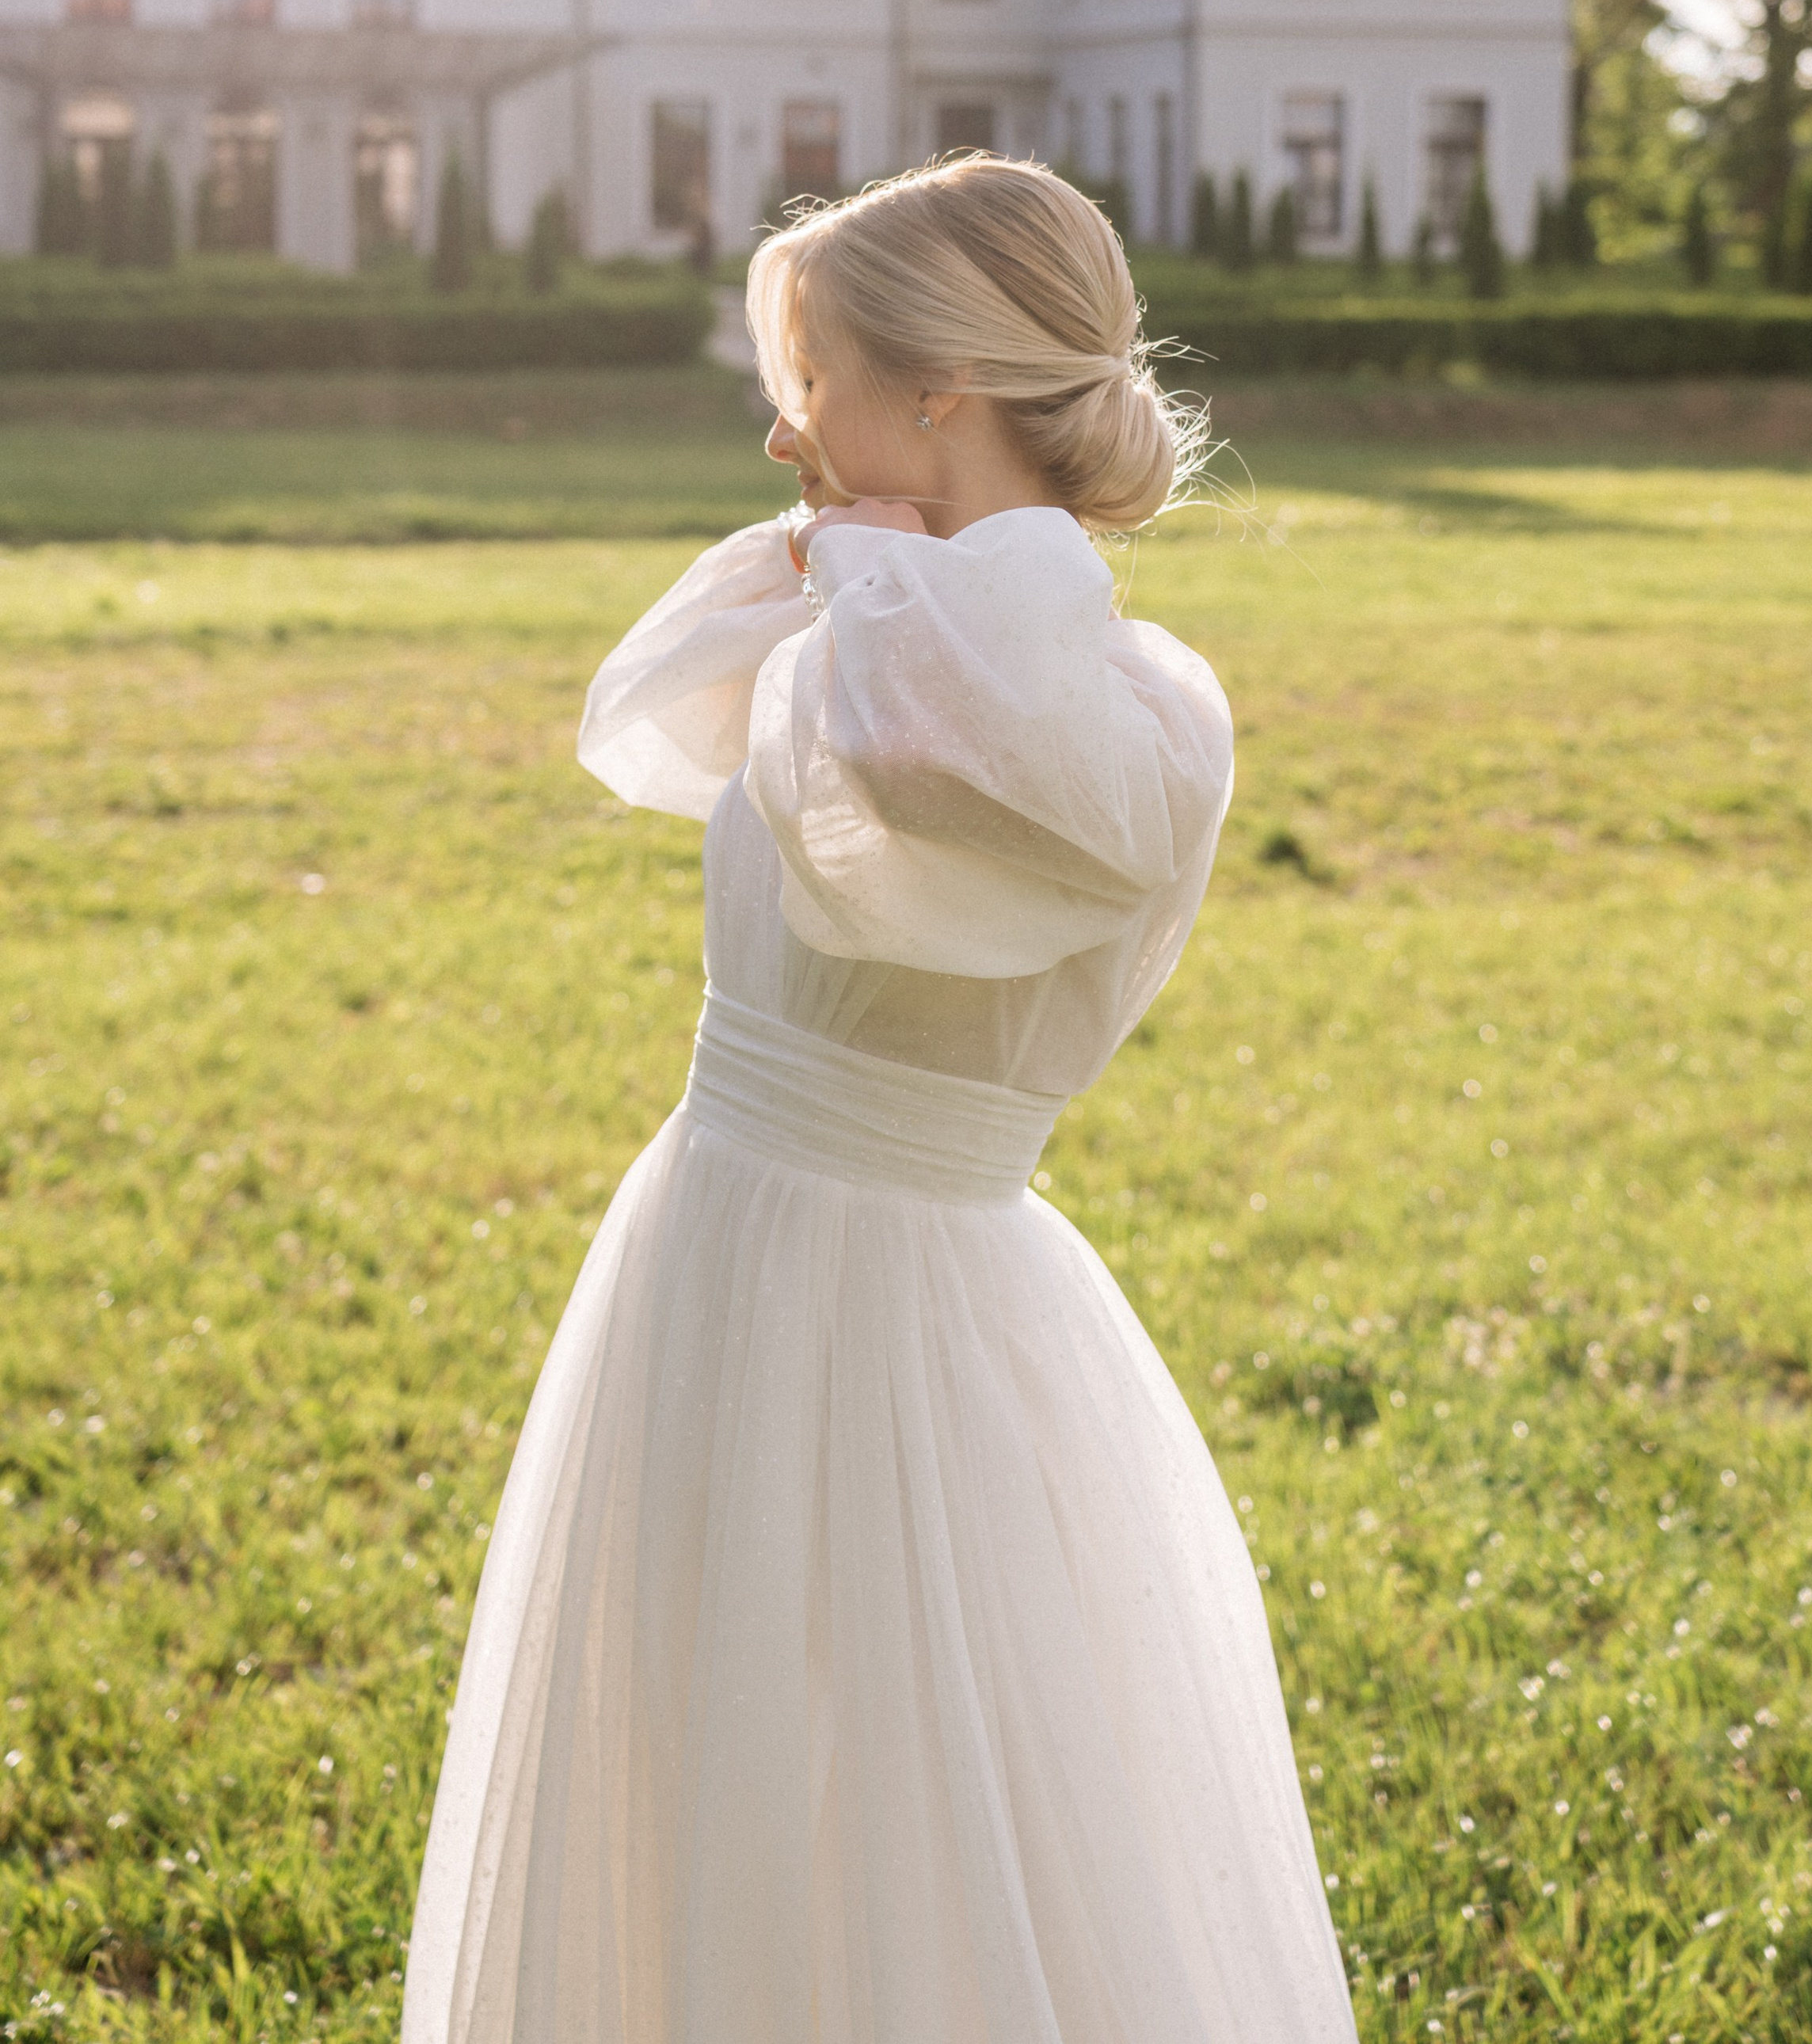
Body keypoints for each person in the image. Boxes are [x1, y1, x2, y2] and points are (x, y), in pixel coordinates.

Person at [402, 156, 1357, 2044]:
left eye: (814, 371)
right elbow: (654, 712)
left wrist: (867, 568)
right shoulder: (847, 622)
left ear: (937, 390)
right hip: (713, 1229)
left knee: (937, 1748)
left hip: (907, 1288)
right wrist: (854, 556)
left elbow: (930, 768)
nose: (780, 428)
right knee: (709, 1738)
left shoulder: (1107, 705)